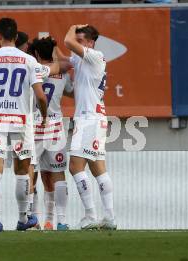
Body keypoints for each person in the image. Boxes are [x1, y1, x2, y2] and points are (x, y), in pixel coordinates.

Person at [0, 17, 48, 232]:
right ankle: (23, 218)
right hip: (21, 121)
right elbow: (41, 97)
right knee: (22, 170)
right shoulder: (29, 61)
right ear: (16, 36)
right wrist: (44, 116)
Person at [64, 24, 116, 230]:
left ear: (90, 43)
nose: (76, 42)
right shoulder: (83, 58)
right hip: (95, 117)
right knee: (98, 169)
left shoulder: (95, 55)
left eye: (81, 39)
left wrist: (72, 27)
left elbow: (68, 42)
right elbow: (65, 59)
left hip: (89, 119)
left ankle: (90, 215)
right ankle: (110, 217)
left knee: (75, 166)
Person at [28, 37, 73, 231]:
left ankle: (32, 219)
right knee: (57, 173)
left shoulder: (32, 71)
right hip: (55, 127)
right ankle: (60, 221)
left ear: (36, 54)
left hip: (34, 127)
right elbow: (72, 92)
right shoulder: (62, 74)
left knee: (31, 173)